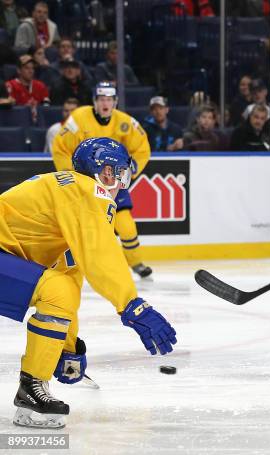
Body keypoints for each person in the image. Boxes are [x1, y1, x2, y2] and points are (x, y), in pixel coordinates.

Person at [0, 137, 176, 429]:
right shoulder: (86, 192)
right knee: (55, 288)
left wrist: (65, 348)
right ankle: (30, 388)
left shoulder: (74, 194)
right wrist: (132, 305)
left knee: (59, 287)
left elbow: (71, 276)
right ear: (104, 172)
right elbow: (100, 256)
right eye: (118, 172)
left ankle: (32, 388)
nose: (121, 181)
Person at [51, 82, 154, 279]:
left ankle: (136, 262)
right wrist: (70, 175)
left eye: (109, 99)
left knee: (126, 225)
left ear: (115, 102)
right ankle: (71, 264)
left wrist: (131, 170)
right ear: (94, 101)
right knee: (82, 227)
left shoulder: (125, 122)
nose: (105, 103)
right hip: (85, 183)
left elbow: (142, 148)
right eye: (101, 99)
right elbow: (60, 147)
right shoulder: (79, 118)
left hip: (113, 182)